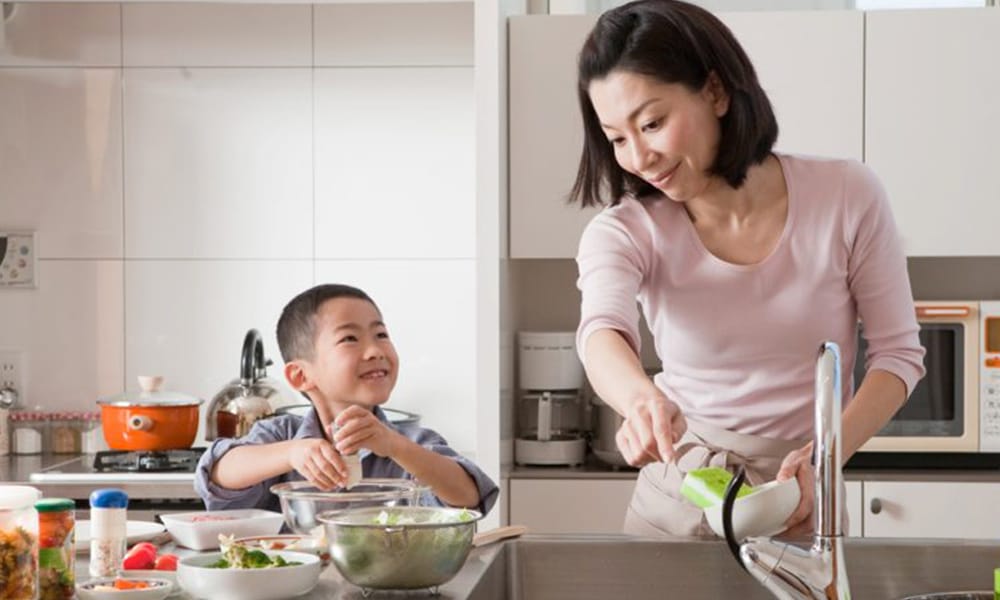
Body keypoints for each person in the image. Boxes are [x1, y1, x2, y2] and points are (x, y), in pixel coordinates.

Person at [570, 0, 925, 538]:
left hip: (800, 495)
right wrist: (640, 400)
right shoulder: (625, 229)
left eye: (652, 123)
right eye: (618, 138)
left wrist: (822, 460)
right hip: (679, 494)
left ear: (715, 92)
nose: (638, 157)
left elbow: (898, 356)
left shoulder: (847, 195)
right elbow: (601, 331)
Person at [195, 283, 498, 516]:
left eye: (381, 335)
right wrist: (292, 453)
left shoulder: (412, 444)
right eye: (350, 339)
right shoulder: (280, 436)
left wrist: (394, 446)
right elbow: (219, 472)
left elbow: (469, 497)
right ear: (301, 376)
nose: (375, 350)